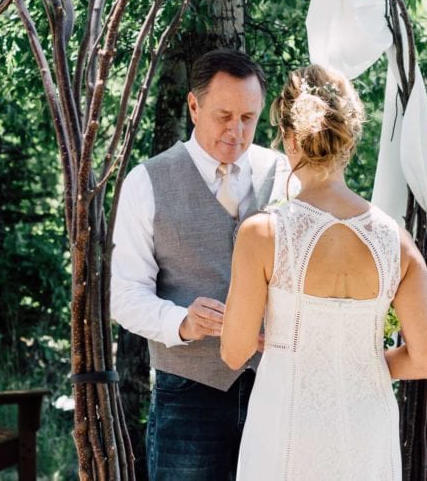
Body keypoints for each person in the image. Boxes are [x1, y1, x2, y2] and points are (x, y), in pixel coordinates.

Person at [220, 64, 427, 480]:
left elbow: (234, 351)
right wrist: (359, 362)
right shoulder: (396, 241)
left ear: (289, 138)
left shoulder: (264, 233)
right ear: (350, 138)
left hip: (287, 428)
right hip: (367, 428)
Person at [110, 48, 291, 480]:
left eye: (249, 117)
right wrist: (181, 323)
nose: (237, 131)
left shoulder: (284, 172)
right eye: (223, 115)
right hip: (188, 395)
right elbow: (122, 293)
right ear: (193, 106)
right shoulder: (147, 181)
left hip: (277, 387)